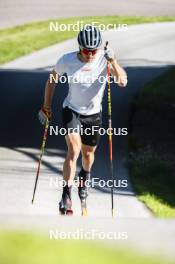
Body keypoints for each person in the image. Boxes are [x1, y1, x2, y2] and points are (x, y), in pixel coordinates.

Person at [38, 25, 127, 215]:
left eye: (94, 50)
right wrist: (46, 106)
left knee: (88, 156)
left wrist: (113, 60)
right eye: (86, 51)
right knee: (74, 150)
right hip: (71, 110)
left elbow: (122, 81)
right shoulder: (67, 61)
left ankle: (84, 178)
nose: (90, 54)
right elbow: (52, 80)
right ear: (80, 48)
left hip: (94, 115)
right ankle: (66, 195)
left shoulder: (104, 59)